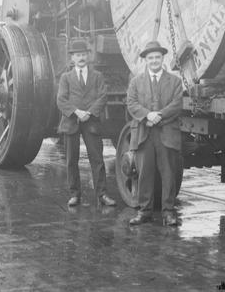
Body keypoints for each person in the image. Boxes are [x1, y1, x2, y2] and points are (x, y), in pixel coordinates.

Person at [126, 40, 183, 226]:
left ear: (163, 58)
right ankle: (144, 211)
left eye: (157, 57)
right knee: (144, 173)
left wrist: (159, 116)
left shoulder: (175, 81)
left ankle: (168, 212)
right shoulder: (136, 82)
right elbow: (132, 104)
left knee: (168, 173)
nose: (154, 61)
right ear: (145, 60)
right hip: (144, 133)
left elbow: (176, 104)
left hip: (166, 133)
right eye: (150, 58)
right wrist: (147, 115)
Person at [56, 39, 116, 208]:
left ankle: (102, 195)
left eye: (83, 54)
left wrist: (89, 113)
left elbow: (103, 96)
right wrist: (77, 112)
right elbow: (61, 100)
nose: (81, 57)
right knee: (71, 160)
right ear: (72, 59)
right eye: (77, 55)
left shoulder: (97, 76)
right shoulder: (66, 78)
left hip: (91, 122)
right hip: (71, 121)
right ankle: (75, 195)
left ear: (88, 56)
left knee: (97, 159)